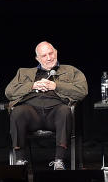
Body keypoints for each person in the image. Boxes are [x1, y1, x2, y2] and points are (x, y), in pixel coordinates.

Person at [6, 41, 87, 170]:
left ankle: (59, 160)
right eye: (44, 56)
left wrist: (56, 86)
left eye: (51, 53)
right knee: (18, 112)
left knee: (65, 111)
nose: (49, 58)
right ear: (37, 59)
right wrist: (32, 85)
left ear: (56, 52)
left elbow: (82, 91)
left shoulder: (71, 71)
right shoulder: (24, 72)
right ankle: (20, 160)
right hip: (32, 114)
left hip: (55, 113)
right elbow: (9, 92)